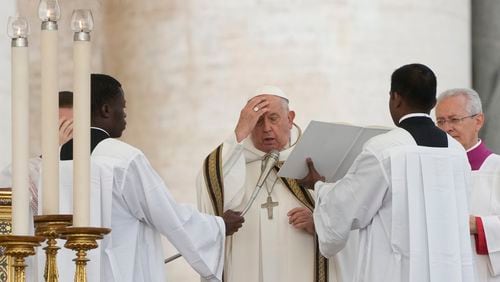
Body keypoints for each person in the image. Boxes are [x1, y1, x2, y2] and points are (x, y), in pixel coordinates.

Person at [55, 74, 244, 282]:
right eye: (123, 107)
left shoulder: (54, 159)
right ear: (106, 110)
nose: (125, 115)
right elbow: (167, 214)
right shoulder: (123, 159)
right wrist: (218, 226)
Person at [300, 64, 475, 282]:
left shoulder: (384, 149)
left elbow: (348, 205)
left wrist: (318, 185)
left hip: (397, 272)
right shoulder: (456, 152)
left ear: (396, 98)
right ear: (432, 103)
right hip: (448, 271)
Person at [196, 86, 357, 282]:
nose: (266, 129)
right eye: (257, 121)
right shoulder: (232, 165)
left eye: (273, 118)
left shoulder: (316, 163)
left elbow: (352, 217)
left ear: (290, 118)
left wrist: (320, 223)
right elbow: (211, 192)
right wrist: (238, 133)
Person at [435, 88, 500, 281]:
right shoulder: (431, 170)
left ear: (478, 121)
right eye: (440, 121)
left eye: (454, 120)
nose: (447, 128)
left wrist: (478, 225)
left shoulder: (497, 168)